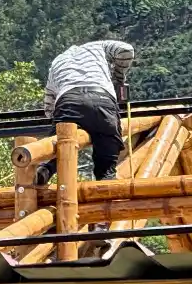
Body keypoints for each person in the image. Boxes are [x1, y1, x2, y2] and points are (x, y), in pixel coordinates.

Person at [42, 38, 136, 180]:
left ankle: (46, 169)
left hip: (68, 100)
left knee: (58, 145)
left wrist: (58, 121)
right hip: (102, 99)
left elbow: (49, 107)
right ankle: (106, 180)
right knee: (107, 152)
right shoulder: (98, 46)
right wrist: (118, 77)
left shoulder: (57, 62)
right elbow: (126, 50)